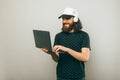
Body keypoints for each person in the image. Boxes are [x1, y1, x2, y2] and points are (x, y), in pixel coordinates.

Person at [41, 8, 91, 80]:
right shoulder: (58, 36)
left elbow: (85, 58)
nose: (64, 21)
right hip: (61, 76)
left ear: (75, 19)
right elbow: (57, 59)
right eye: (63, 19)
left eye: (67, 19)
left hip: (78, 77)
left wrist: (66, 49)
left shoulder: (84, 36)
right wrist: (51, 53)